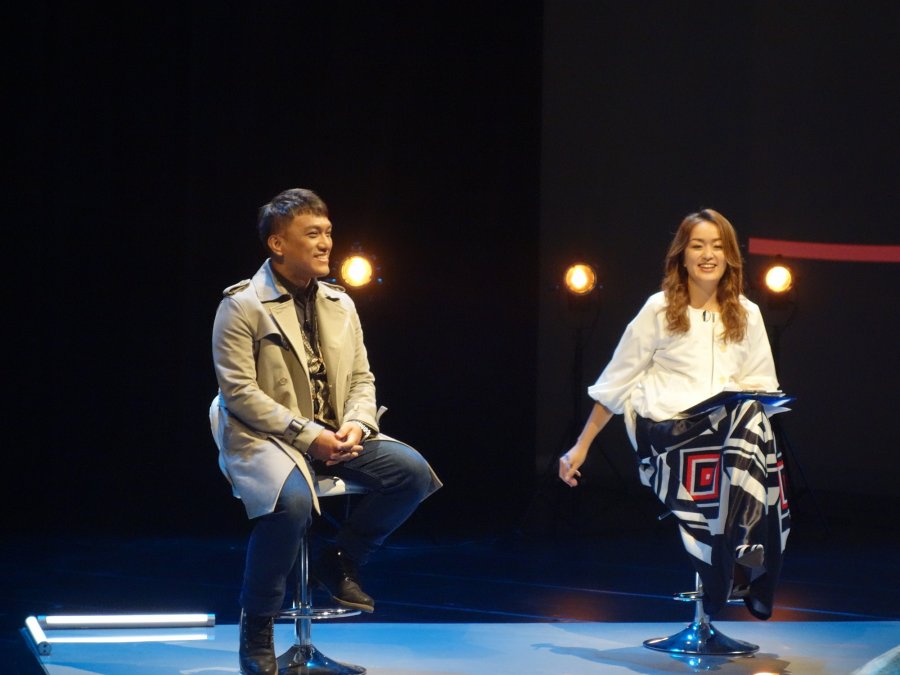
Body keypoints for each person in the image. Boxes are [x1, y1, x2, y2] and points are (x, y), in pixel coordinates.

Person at [209, 187, 441, 674]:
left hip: (333, 435)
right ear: (278, 244)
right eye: (312, 234)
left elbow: (362, 378)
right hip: (266, 437)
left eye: (328, 233)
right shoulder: (242, 305)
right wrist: (307, 434)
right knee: (292, 504)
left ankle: (339, 556)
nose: (325, 243)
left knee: (413, 474)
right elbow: (240, 393)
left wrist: (357, 423)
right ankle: (257, 626)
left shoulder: (340, 303)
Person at [559, 208, 791, 620]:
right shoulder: (660, 308)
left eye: (717, 246)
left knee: (753, 415)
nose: (708, 255)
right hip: (667, 429)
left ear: (730, 256)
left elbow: (763, 386)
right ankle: (743, 558)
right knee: (748, 438)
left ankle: (742, 546)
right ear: (682, 255)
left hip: (724, 431)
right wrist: (582, 446)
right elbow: (616, 381)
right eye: (698, 246)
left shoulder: (748, 313)